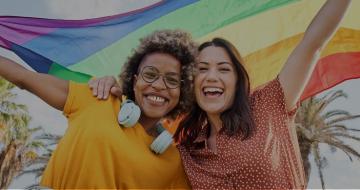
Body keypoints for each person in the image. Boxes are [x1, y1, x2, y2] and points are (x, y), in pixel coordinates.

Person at [93, 0, 351, 189]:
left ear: (238, 80)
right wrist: (116, 91)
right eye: (202, 69)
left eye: (223, 69)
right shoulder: (187, 150)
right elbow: (127, 142)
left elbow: (313, 44)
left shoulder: (268, 103)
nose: (211, 76)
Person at [0, 29, 197, 189]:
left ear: (181, 91)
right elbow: (22, 77)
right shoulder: (97, 98)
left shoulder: (174, 162)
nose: (160, 85)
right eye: (150, 74)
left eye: (172, 80)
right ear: (134, 80)